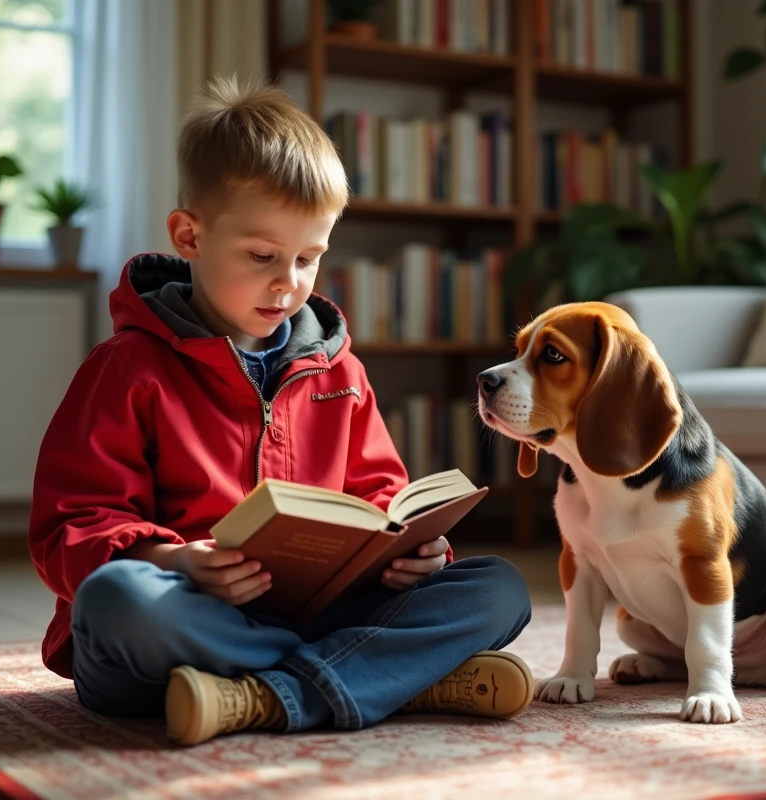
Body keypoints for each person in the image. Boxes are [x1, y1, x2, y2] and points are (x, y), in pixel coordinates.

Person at [28, 77, 533, 746]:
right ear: (190, 235)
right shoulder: (126, 370)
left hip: (318, 612)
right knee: (115, 601)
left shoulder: (341, 373)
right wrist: (177, 561)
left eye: (309, 258)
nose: (288, 281)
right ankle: (382, 677)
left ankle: (264, 696)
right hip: (187, 622)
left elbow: (380, 496)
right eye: (263, 256)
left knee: (499, 588)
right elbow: (71, 529)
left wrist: (417, 552)